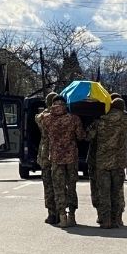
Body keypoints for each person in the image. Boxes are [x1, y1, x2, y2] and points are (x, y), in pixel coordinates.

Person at [40, 95, 85, 227]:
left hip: (55, 158)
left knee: (58, 188)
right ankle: (72, 216)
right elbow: (81, 136)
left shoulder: (47, 120)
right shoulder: (74, 119)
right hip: (71, 157)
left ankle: (62, 217)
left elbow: (45, 134)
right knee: (71, 187)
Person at [89, 97, 127, 228]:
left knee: (104, 191)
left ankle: (105, 220)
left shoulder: (100, 121)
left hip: (102, 162)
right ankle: (117, 219)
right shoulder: (126, 121)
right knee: (117, 192)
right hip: (119, 161)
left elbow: (88, 136)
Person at [37, 92, 59, 223]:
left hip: (46, 155)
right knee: (61, 185)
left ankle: (52, 214)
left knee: (49, 186)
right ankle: (63, 212)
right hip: (62, 154)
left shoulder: (44, 117)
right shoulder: (66, 116)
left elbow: (38, 118)